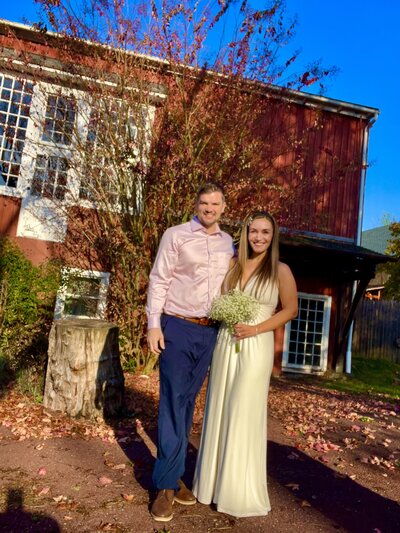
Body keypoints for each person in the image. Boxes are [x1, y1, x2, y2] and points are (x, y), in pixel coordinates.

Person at [193, 211, 298, 517]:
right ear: (246, 233)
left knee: (242, 411)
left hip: (256, 343)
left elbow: (290, 310)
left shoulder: (281, 270)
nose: (259, 237)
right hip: (227, 342)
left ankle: (236, 490)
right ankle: (211, 485)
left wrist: (254, 328)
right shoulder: (231, 266)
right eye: (254, 231)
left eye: (265, 232)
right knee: (220, 407)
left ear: (273, 235)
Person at [146, 183, 234, 522]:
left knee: (186, 406)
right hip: (178, 326)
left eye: (215, 203)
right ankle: (165, 487)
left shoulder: (229, 244)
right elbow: (159, 279)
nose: (209, 208)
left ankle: (174, 472)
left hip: (210, 331)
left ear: (224, 207)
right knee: (171, 402)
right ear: (196, 205)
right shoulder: (176, 235)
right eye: (204, 203)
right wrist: (154, 324)